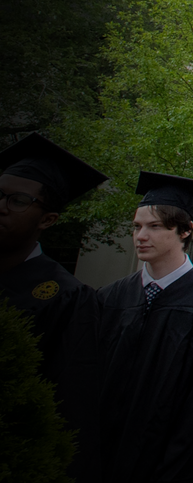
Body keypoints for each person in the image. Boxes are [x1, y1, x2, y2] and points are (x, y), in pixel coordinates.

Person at [70, 171, 193, 483]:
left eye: (154, 226)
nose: (140, 235)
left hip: (166, 459)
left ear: (185, 230)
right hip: (100, 453)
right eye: (137, 226)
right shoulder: (111, 296)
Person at [0, 133, 105, 403]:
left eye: (18, 200)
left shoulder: (68, 298)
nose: (2, 207)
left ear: (48, 220)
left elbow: (69, 401)